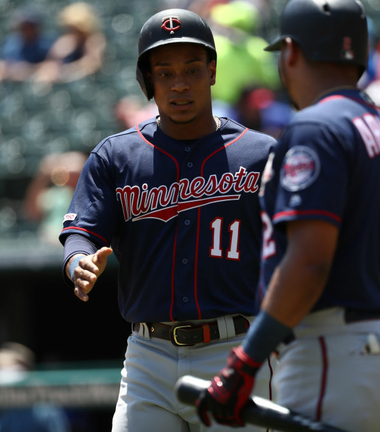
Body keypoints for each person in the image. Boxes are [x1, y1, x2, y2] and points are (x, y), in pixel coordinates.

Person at [196, 1, 380, 431]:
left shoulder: (316, 125)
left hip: (340, 352)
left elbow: (310, 262)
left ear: (291, 52)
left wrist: (245, 362)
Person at [59, 9, 277, 432]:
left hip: (234, 347)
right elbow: (81, 232)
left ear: (212, 71)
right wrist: (78, 262)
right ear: (147, 82)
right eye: (165, 73)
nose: (180, 84)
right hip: (148, 354)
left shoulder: (262, 154)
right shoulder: (116, 156)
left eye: (193, 70)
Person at [35, 2, 107, 83]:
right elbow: (50, 63)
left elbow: (91, 65)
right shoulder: (67, 41)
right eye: (71, 28)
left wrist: (65, 72)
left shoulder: (94, 40)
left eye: (76, 29)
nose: (73, 32)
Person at [0, 6, 55, 82]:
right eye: (25, 27)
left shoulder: (46, 43)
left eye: (31, 26)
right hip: (12, 77)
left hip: (35, 78)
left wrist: (29, 68)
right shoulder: (10, 43)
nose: (28, 30)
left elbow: (52, 64)